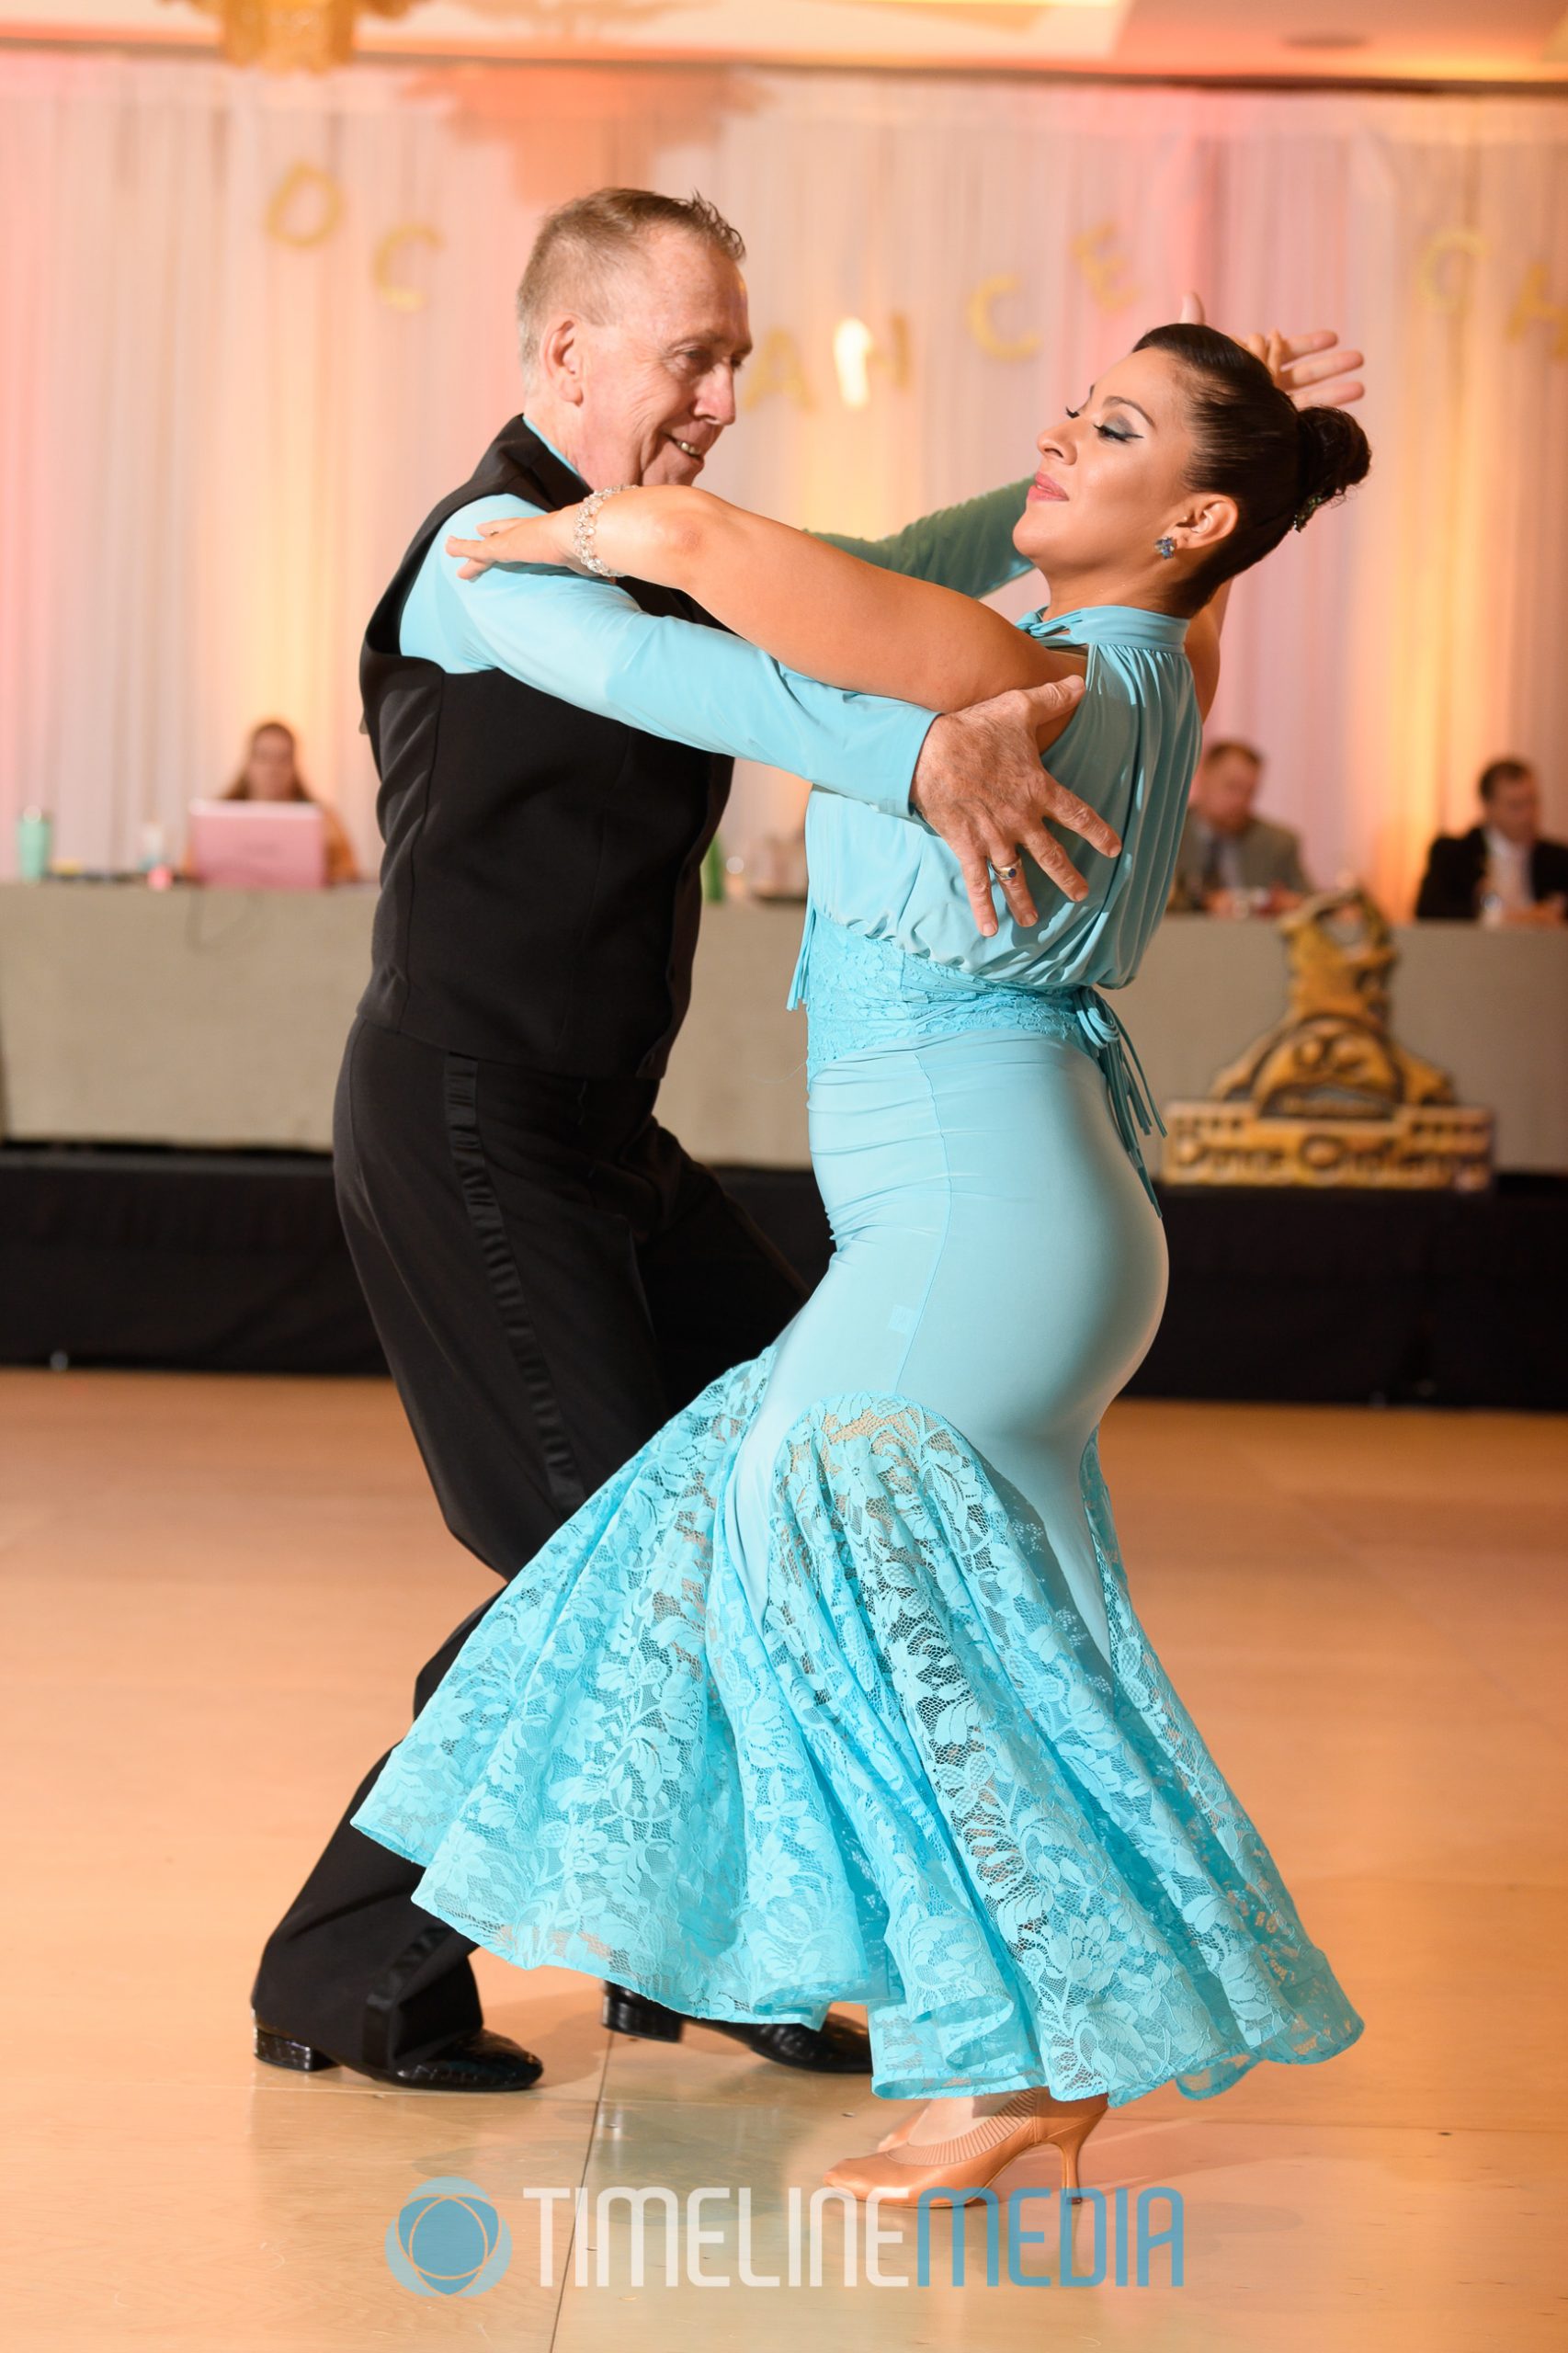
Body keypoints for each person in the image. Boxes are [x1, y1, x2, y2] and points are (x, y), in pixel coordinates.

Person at [349, 316, 1371, 2206]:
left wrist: (516, 535)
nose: (1059, 436)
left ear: (1199, 513)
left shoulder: (1028, 670)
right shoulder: (1126, 654)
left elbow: (716, 568)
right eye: (1074, 405)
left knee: (850, 1608)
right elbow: (927, 578)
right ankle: (1032, 2052)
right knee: (915, 1621)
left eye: (1115, 428)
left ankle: (996, 2054)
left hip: (980, 1231)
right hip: (1012, 1225)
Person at [249, 188, 1131, 2097]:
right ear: (567, 352)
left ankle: (690, 1943)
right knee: (610, 1564)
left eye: (738, 355)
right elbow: (704, 685)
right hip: (465, 1122)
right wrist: (905, 751)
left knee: (778, 1502)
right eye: (693, 352)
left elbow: (890, 566)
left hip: (600, 1140)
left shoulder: (670, 544)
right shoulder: (485, 553)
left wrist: (1096, 487)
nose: (726, 392)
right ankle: (344, 1959)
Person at [1414, 758, 1568, 925]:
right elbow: (1428, 911)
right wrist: (1494, 917)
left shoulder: (1558, 859)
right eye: (1515, 805)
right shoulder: (1454, 855)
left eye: (1532, 802)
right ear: (1488, 806)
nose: (1528, 815)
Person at [1167, 735, 1311, 912]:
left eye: (1250, 791)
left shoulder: (1279, 844)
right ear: (1202, 776)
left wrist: (1292, 904)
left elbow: (1312, 905)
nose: (1240, 800)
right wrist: (1204, 903)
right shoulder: (1167, 835)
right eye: (1231, 786)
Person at [211, 719, 359, 885]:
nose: (272, 769)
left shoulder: (324, 821)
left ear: (295, 765)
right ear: (248, 762)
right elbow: (192, 873)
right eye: (264, 757)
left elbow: (349, 875)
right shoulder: (215, 819)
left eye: (282, 759)